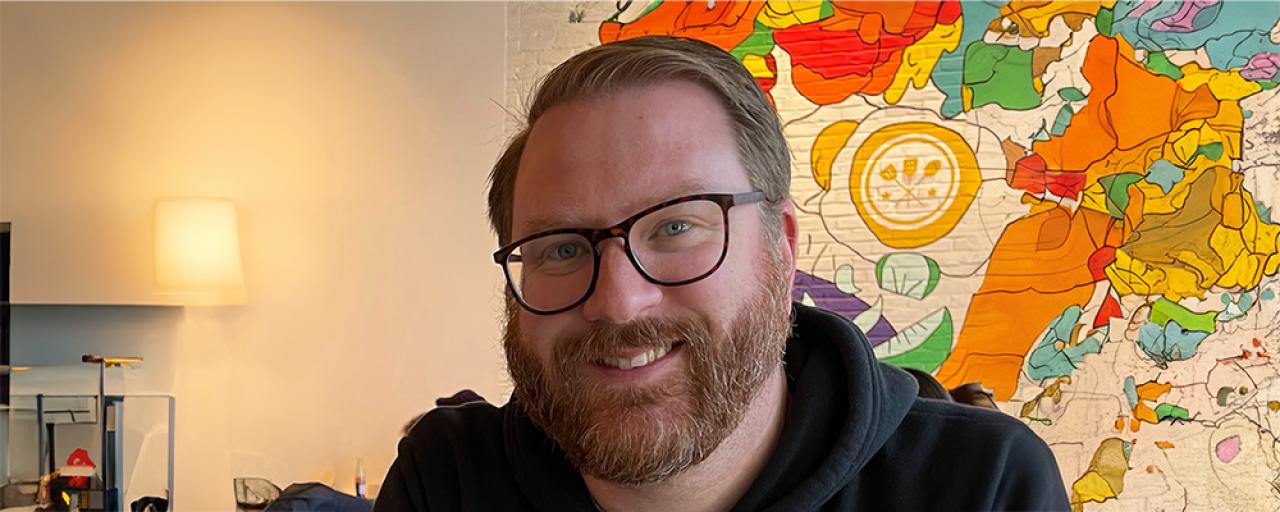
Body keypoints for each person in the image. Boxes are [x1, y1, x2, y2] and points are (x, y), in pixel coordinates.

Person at [374, 36, 1070, 511]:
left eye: (676, 226)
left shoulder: (980, 485)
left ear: (782, 247)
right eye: (561, 247)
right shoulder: (447, 484)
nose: (618, 303)